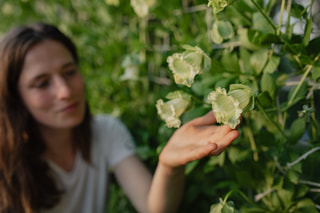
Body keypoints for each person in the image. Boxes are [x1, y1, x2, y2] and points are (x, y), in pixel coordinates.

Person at [0, 22, 240, 213]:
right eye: (42, 84)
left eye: (69, 72)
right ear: (15, 97)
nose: (64, 92)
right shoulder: (6, 162)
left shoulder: (105, 131)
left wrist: (168, 165)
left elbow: (153, 207)